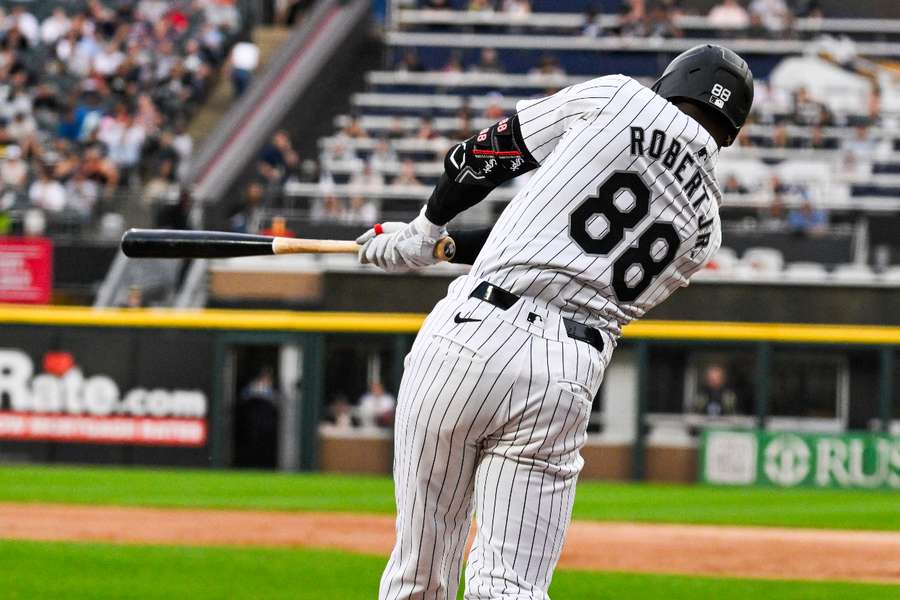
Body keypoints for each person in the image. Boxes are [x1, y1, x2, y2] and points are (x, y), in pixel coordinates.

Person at [356, 44, 754, 599]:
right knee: (511, 587)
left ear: (673, 81)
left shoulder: (619, 96)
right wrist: (442, 247)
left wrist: (425, 227)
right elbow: (572, 247)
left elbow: (485, 155)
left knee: (421, 576)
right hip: (568, 374)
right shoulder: (707, 224)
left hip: (472, 335)